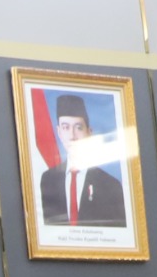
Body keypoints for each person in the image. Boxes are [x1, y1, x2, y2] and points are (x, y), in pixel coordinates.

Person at [38, 93, 126, 228]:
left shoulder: (111, 186)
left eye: (78, 127)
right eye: (66, 127)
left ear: (89, 132)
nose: (72, 136)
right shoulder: (48, 180)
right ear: (59, 132)